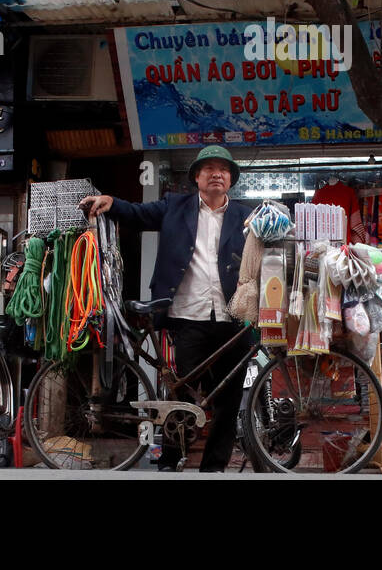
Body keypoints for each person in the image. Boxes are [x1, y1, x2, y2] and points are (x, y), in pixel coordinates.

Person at [80, 145, 253, 473]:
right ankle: (171, 461)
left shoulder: (246, 216)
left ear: (230, 179)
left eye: (223, 169)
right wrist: (113, 204)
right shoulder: (176, 206)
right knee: (184, 395)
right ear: (197, 178)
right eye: (209, 168)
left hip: (233, 317)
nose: (216, 173)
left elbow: (271, 246)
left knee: (228, 401)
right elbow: (139, 213)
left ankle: (213, 468)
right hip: (188, 316)